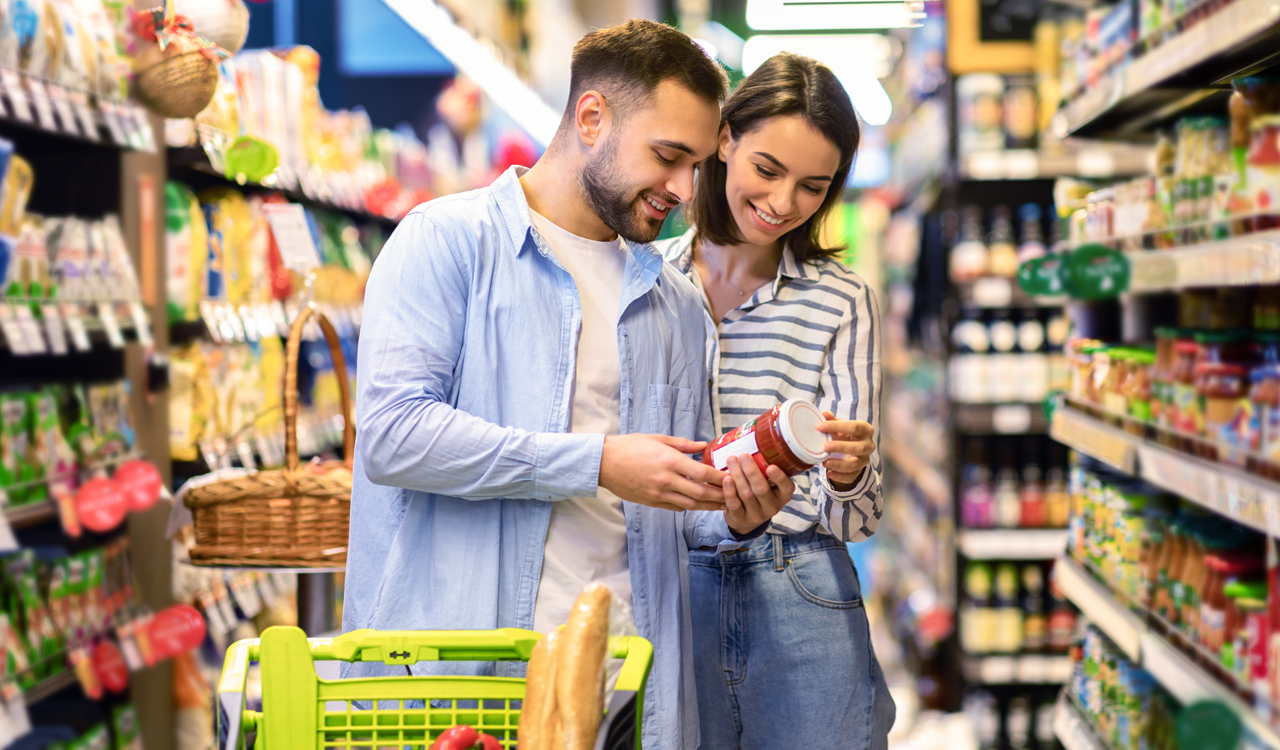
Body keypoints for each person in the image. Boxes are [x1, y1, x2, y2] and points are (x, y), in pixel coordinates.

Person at [343, 20, 793, 750]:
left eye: (698, 166)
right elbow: (394, 439)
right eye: (668, 156)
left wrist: (737, 511)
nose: (683, 190)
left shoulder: (676, 305)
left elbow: (675, 512)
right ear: (591, 118)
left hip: (628, 691)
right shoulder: (446, 242)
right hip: (462, 688)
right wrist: (597, 461)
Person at [655, 52, 895, 749]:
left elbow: (861, 520)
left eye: (813, 186)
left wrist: (849, 474)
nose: (784, 202)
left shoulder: (841, 299)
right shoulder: (648, 283)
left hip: (803, 591)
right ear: (725, 139)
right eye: (767, 169)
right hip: (674, 587)